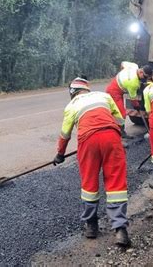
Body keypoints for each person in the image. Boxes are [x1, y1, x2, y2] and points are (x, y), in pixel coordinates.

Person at [53, 77, 130, 246]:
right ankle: (120, 230)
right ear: (87, 89)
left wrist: (60, 154)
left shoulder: (72, 106)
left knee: (89, 183)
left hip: (88, 142)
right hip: (112, 138)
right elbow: (121, 120)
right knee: (116, 183)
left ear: (72, 93)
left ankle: (91, 225)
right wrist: (111, 132)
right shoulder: (104, 97)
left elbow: (65, 134)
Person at [105, 61, 153, 139]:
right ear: (141, 72)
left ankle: (116, 130)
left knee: (116, 112)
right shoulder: (133, 83)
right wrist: (137, 107)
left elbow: (122, 63)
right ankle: (120, 133)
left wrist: (122, 74)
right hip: (114, 92)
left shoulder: (134, 66)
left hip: (116, 86)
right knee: (121, 113)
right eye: (144, 77)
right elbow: (133, 99)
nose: (145, 79)